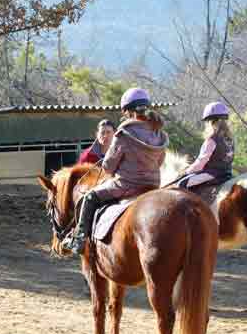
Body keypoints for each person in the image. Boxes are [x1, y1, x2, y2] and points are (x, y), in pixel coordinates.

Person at [63, 88, 169, 255]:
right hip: (153, 184)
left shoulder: (123, 133)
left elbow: (108, 167)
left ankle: (80, 239)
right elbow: (160, 161)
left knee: (89, 198)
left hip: (125, 185)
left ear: (127, 111)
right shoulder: (159, 133)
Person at [177, 101, 235, 192]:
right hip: (227, 173)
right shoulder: (229, 138)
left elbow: (201, 162)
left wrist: (186, 171)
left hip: (211, 173)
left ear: (210, 122)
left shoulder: (212, 139)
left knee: (181, 183)